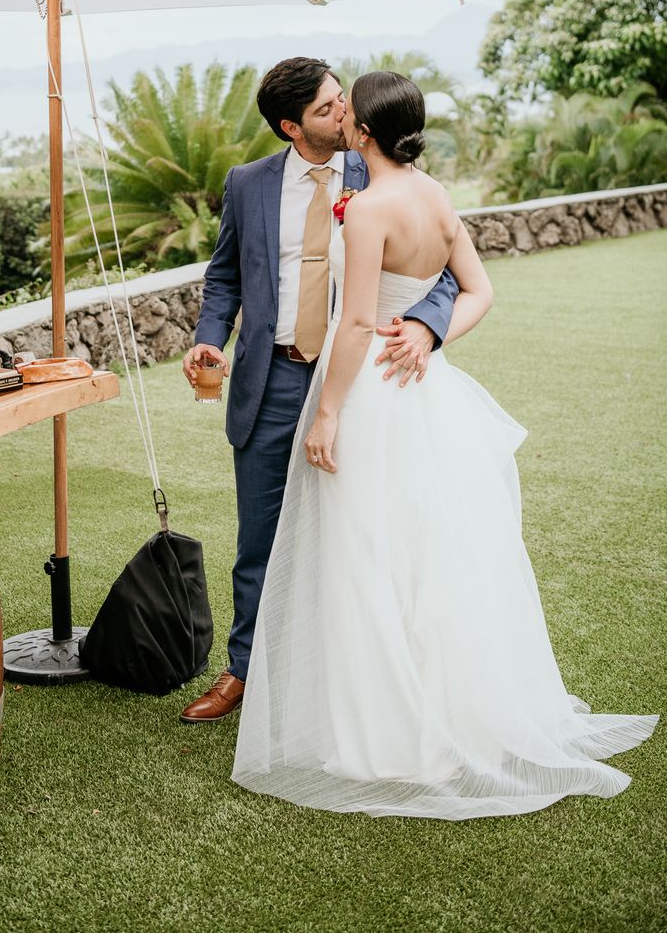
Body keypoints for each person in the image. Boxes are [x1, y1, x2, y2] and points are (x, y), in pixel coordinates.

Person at [232, 71, 657, 816]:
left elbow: (359, 325)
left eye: (345, 110)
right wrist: (433, 343)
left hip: (369, 393)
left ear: (363, 131)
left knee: (366, 554)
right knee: (432, 555)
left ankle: (383, 738)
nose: (339, 116)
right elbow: (480, 291)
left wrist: (328, 412)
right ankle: (451, 716)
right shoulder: (432, 194)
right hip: (424, 394)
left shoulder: (367, 209)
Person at [178, 57, 459, 724]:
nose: (344, 114)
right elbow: (224, 279)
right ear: (289, 126)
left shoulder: (381, 173)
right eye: (328, 109)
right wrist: (209, 336)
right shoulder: (247, 184)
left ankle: (347, 678)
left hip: (361, 382)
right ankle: (244, 670)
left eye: (342, 101)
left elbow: (441, 272)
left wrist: (424, 328)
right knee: (261, 537)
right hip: (270, 378)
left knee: (363, 533)